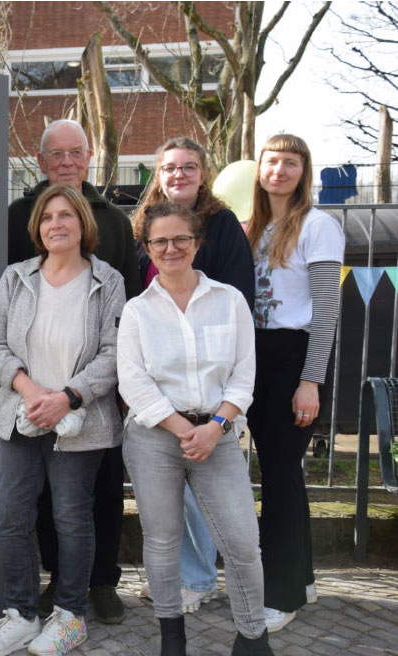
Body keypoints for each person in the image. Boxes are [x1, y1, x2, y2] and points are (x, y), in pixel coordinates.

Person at [117, 202, 273, 656]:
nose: (171, 248)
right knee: (163, 541)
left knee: (243, 542)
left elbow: (245, 374)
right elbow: (133, 381)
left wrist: (217, 425)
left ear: (197, 243)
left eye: (181, 239)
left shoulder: (230, 301)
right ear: (147, 248)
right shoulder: (137, 311)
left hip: (218, 436)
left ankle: (252, 637)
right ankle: (172, 636)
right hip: (153, 437)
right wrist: (183, 427)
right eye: (159, 241)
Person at [0, 185, 125, 656]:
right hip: (21, 416)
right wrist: (29, 389)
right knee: (11, 518)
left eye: (66, 215)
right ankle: (21, 614)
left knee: (71, 518)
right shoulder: (17, 277)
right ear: (37, 228)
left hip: (78, 421)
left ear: (83, 223)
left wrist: (68, 397)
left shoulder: (107, 281)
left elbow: (114, 351)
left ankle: (69, 615)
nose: (55, 224)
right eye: (47, 217)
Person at [7, 118, 140, 623]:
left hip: (96, 386)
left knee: (103, 488)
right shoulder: (20, 214)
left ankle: (102, 581)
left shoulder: (116, 221)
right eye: (55, 154)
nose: (66, 162)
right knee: (45, 495)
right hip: (36, 387)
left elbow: (128, 306)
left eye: (75, 153)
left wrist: (114, 379)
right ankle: (58, 581)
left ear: (89, 158)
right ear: (41, 162)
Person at [133, 137, 255, 614]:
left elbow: (236, 299)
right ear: (158, 175)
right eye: (169, 168)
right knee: (168, 497)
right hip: (155, 381)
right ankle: (184, 576)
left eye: (188, 167)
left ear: (204, 174)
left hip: (204, 388)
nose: (178, 175)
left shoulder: (221, 226)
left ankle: (199, 578)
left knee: (199, 486)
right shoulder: (144, 223)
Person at [245, 134, 344, 633]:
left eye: (290, 162)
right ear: (259, 168)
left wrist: (311, 379)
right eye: (271, 160)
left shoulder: (319, 225)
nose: (279, 170)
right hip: (257, 356)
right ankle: (300, 580)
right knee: (282, 474)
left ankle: (279, 595)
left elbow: (327, 308)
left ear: (304, 171)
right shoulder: (258, 229)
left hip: (294, 358)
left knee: (280, 475)